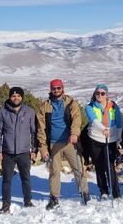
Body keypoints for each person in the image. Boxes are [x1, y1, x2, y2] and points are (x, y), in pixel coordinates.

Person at [37, 79, 89, 209]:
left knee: (78, 168)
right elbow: (40, 128)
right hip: (53, 143)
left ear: (62, 88)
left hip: (69, 141)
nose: (56, 90)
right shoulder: (45, 106)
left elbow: (77, 119)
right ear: (51, 90)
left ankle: (84, 193)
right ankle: (54, 198)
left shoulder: (71, 103)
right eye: (54, 88)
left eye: (58, 88)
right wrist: (43, 147)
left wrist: (74, 134)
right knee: (54, 171)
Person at [0, 87, 37, 213]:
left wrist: (34, 149)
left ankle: (28, 201)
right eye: (13, 96)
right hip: (8, 152)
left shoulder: (29, 112)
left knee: (26, 177)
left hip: (24, 151)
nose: (16, 98)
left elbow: (34, 132)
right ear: (10, 97)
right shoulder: (3, 112)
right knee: (7, 179)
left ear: (22, 97)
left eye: (18, 96)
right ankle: (6, 204)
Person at [85, 83, 123, 201]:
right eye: (97, 93)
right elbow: (93, 120)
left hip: (110, 140)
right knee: (99, 167)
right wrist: (103, 129)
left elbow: (119, 123)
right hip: (95, 139)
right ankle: (104, 191)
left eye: (102, 93)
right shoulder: (90, 106)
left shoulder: (113, 106)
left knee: (110, 166)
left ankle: (116, 193)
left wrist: (119, 139)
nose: (100, 95)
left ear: (106, 95)